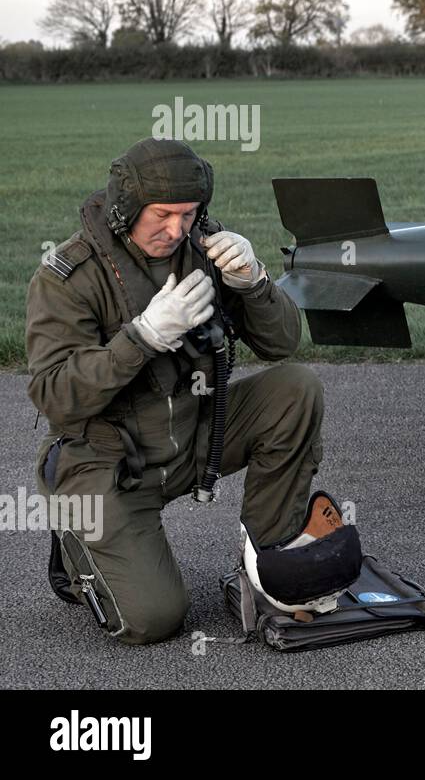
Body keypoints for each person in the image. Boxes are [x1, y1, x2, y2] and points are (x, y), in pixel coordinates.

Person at [27, 137, 328, 643]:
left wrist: (254, 282)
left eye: (188, 214)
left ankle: (269, 558)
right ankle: (79, 538)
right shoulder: (69, 276)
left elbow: (281, 344)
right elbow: (55, 394)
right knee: (153, 619)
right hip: (108, 461)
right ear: (126, 209)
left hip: (192, 437)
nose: (176, 229)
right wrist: (141, 338)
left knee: (295, 389)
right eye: (162, 214)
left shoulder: (201, 251)